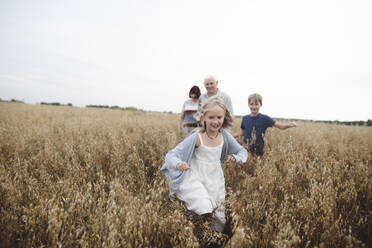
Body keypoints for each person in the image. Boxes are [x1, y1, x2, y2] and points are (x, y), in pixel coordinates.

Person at [160, 96, 248, 232]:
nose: (215, 121)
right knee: (203, 206)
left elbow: (242, 152)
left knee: (219, 220)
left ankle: (209, 239)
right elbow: (171, 155)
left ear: (224, 117)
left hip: (215, 180)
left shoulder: (225, 136)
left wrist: (236, 158)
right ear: (203, 118)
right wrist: (178, 164)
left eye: (219, 117)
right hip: (195, 178)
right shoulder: (197, 137)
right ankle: (190, 230)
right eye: (211, 117)